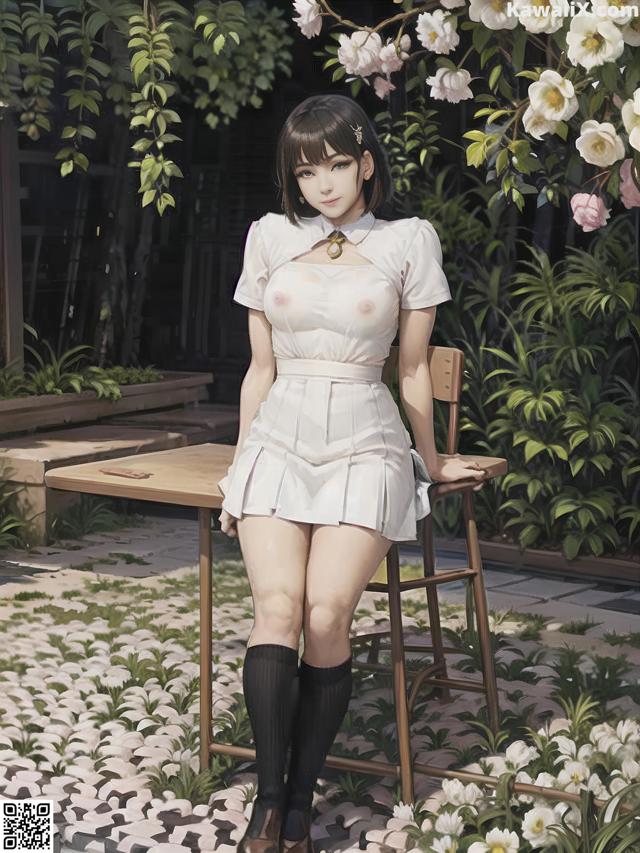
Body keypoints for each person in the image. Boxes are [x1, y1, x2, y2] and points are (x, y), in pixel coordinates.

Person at [216, 93, 485, 853]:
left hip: (366, 440)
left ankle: (302, 803)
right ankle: (269, 809)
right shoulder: (268, 236)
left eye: (337, 164)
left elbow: (410, 372)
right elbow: (259, 367)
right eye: (307, 172)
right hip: (277, 439)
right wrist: (241, 464)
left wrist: (429, 464)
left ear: (366, 161)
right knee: (277, 607)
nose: (324, 184)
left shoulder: (407, 240)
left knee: (327, 613)